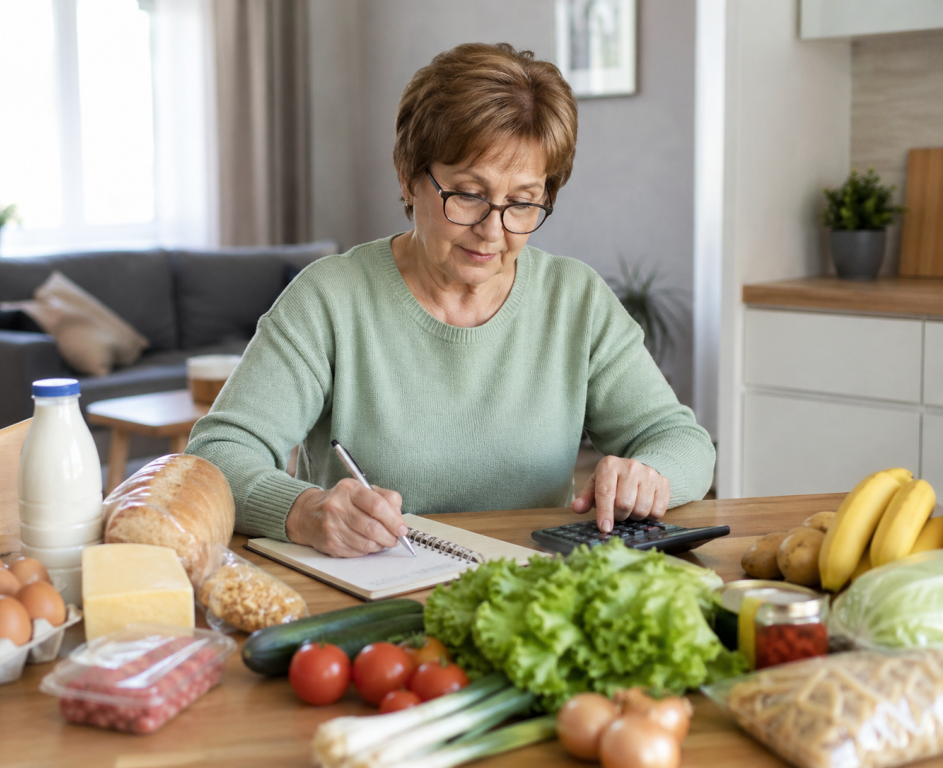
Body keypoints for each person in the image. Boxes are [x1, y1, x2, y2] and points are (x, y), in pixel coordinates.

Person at [186, 42, 715, 558]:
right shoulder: (331, 298)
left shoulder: (574, 300)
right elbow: (217, 455)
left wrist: (650, 475)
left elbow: (681, 441)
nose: (492, 230)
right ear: (408, 176)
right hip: (371, 600)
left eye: (523, 203)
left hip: (527, 597)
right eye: (468, 193)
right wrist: (303, 510)